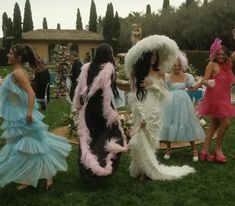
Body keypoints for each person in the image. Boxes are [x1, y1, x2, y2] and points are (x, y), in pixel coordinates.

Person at [0, 44, 71, 189]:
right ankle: (30, 177)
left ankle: (46, 176)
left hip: (21, 115)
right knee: (24, 147)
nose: (7, 55)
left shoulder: (17, 73)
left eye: (10, 53)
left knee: (33, 145)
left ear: (18, 58)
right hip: (16, 114)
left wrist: (29, 113)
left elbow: (31, 93)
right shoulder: (18, 72)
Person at [125, 35, 195, 181]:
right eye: (152, 55)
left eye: (156, 55)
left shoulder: (160, 73)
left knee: (150, 140)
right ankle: (143, 172)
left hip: (155, 109)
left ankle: (146, 169)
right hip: (142, 107)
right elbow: (133, 94)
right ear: (146, 56)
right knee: (139, 139)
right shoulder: (137, 73)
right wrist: (139, 112)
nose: (154, 57)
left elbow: (165, 95)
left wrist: (154, 86)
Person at [73, 44, 128, 182]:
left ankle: (87, 172)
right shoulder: (109, 69)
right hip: (102, 110)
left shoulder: (87, 67)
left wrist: (79, 105)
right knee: (109, 136)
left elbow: (80, 89)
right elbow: (107, 95)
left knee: (88, 139)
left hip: (89, 109)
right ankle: (99, 169)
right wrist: (111, 115)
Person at [160, 52, 205, 162]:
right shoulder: (167, 77)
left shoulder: (187, 76)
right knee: (170, 122)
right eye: (175, 65)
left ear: (183, 65)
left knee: (187, 122)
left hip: (184, 103)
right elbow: (162, 89)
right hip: (170, 103)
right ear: (171, 65)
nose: (177, 67)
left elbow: (192, 89)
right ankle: (168, 149)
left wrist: (201, 81)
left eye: (179, 65)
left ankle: (194, 149)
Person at [197, 38, 235, 163]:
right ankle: (218, 149)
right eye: (218, 54)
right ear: (215, 54)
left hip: (224, 99)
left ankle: (204, 151)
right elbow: (204, 80)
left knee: (214, 125)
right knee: (226, 123)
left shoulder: (227, 65)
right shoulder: (211, 64)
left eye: (223, 54)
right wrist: (208, 82)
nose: (221, 56)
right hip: (214, 100)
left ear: (226, 55)